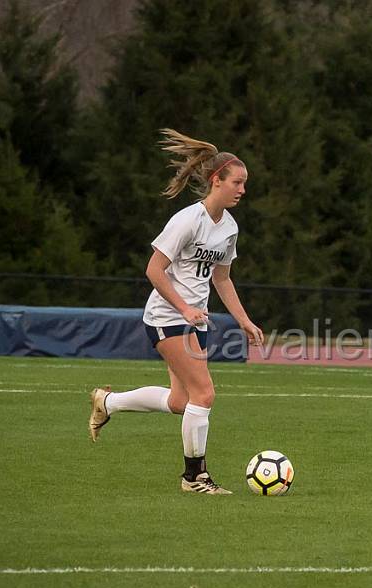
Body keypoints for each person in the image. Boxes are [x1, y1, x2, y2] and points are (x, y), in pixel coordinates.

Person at [89, 130, 264, 495]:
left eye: (244, 183)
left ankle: (108, 402)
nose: (242, 190)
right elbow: (154, 269)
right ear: (217, 180)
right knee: (205, 395)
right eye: (238, 182)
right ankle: (194, 478)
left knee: (180, 402)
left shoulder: (229, 228)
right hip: (167, 318)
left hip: (193, 320)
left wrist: (244, 320)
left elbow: (223, 279)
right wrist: (183, 308)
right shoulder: (187, 219)